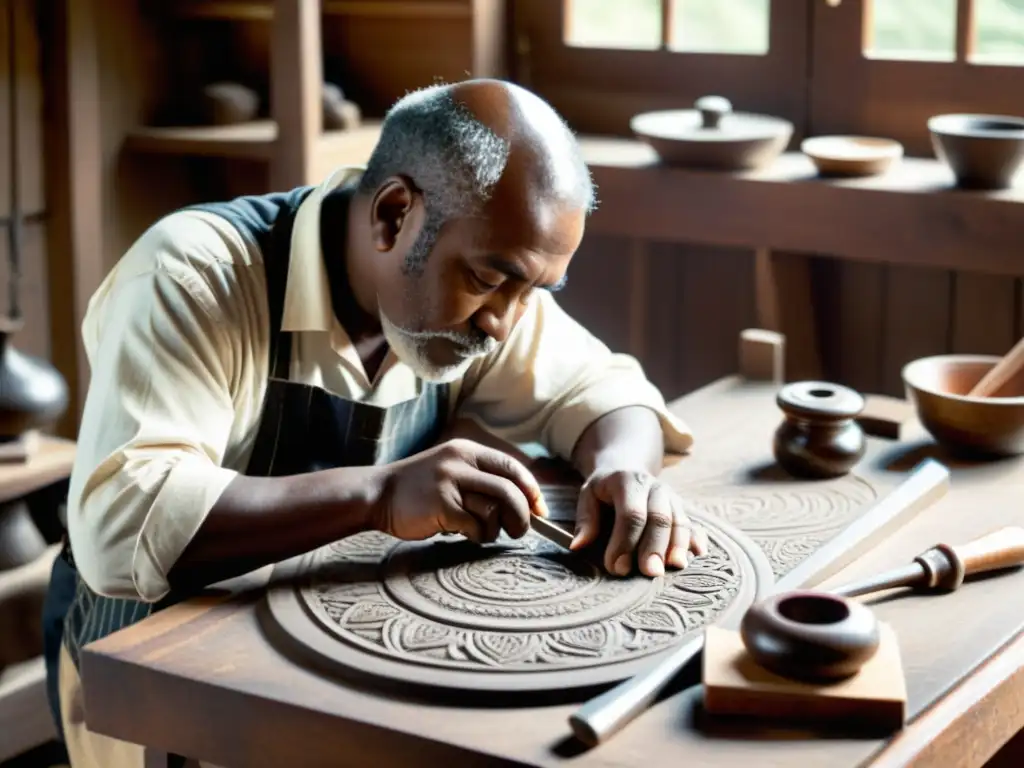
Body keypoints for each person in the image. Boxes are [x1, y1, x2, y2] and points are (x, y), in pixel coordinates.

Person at [43, 79, 700, 767]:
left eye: (530, 291)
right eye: (487, 280)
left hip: (318, 665)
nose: (504, 321)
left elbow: (605, 390)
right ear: (393, 216)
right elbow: (122, 524)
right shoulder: (195, 273)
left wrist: (623, 465)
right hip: (151, 681)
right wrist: (380, 496)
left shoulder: (489, 296)